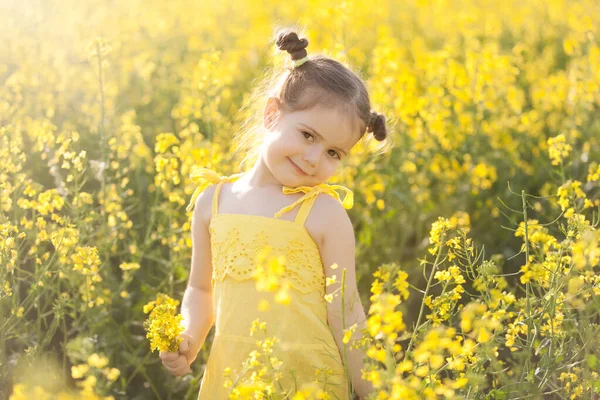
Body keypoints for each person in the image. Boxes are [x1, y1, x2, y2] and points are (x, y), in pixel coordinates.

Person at [159, 27, 388, 400]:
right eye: (308, 136)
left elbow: (346, 313)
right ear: (271, 115)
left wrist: (376, 392)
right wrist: (188, 338)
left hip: (311, 385)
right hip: (232, 381)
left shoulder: (324, 213)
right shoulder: (212, 202)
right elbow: (201, 289)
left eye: (334, 153)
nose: (314, 159)